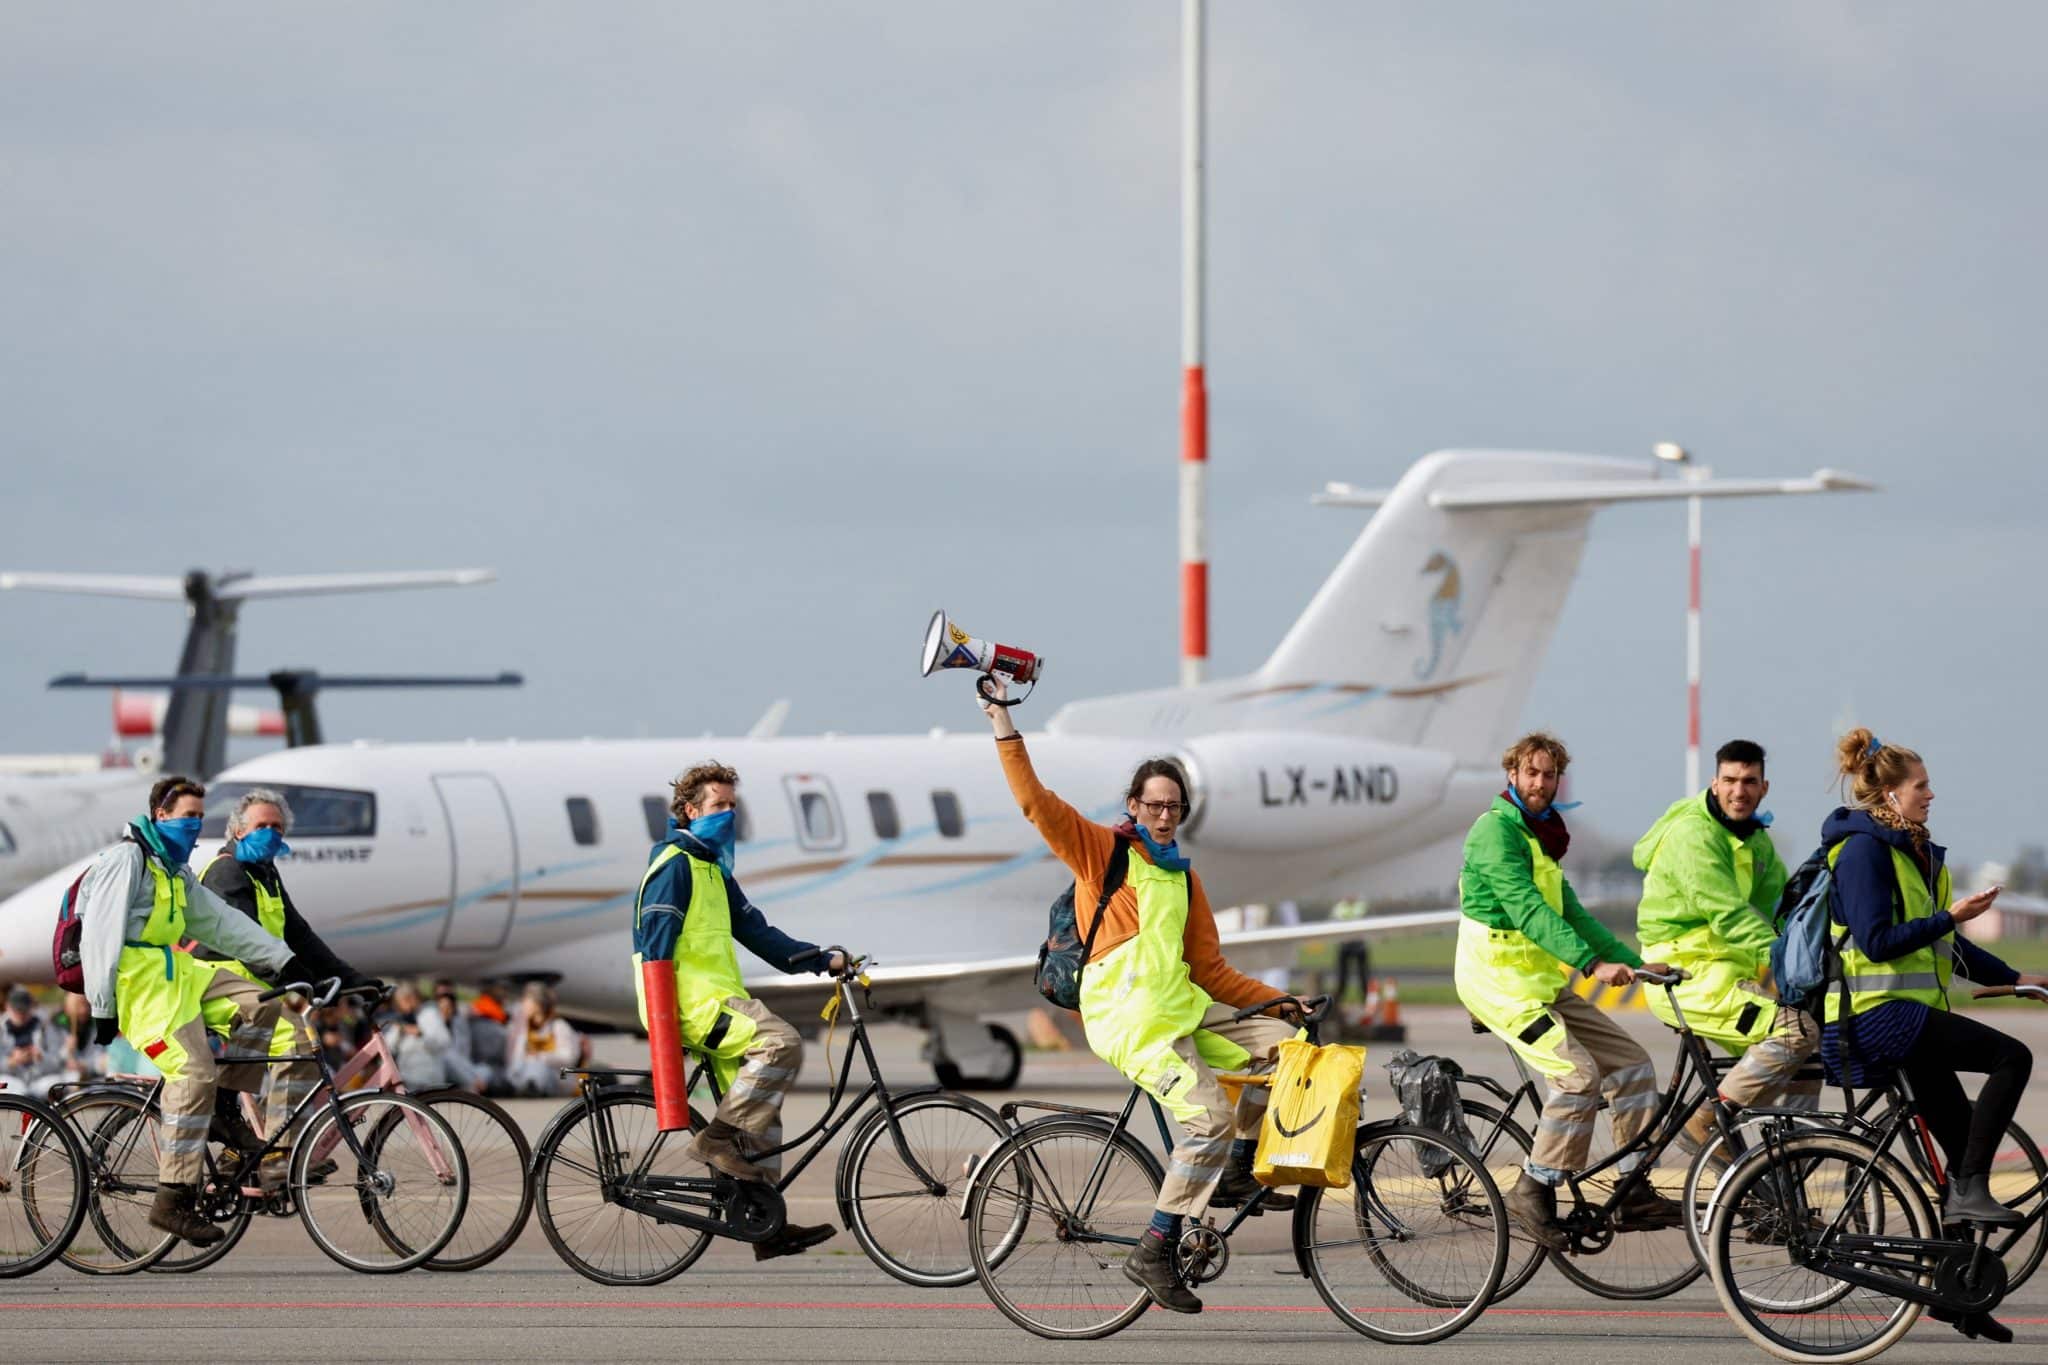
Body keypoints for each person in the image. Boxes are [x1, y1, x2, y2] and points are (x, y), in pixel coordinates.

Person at [980, 678, 1305, 1315]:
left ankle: (1239, 1165)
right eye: (1154, 804)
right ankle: (1155, 1248)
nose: (1164, 815)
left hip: (1182, 1015)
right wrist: (1002, 722)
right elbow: (1035, 803)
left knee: (1288, 1051)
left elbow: (1210, 969)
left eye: (1174, 807)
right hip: (1130, 1025)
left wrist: (1279, 1000)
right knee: (1205, 1115)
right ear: (1134, 805)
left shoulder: (1183, 879)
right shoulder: (1104, 854)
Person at [1819, 729, 2044, 1344]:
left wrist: (2018, 978)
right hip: (1879, 1017)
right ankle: (1971, 1190)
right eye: (1922, 785)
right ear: (1890, 793)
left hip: (1911, 1017)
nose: (1932, 794)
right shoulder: (1864, 849)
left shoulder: (1913, 851)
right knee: (2012, 1056)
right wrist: (1952, 914)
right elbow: (1876, 941)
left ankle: (1958, 1299)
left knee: (1956, 1165)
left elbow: (1949, 946)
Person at [1455, 732, 1682, 1250]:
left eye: (1549, 775)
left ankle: (1630, 1189)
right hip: (1498, 986)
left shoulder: (1540, 834)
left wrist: (1633, 963)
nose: (1540, 783)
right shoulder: (1494, 833)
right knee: (1578, 1077)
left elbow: (1571, 912)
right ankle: (1532, 1189)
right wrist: (1591, 963)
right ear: (1511, 774)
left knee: (1632, 1064)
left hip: (1539, 984)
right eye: (1531, 773)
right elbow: (1528, 911)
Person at [75, 776, 313, 1246]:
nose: (197, 825)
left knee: (263, 1005)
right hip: (141, 986)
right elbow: (99, 937)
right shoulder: (127, 860)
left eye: (201, 817)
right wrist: (101, 1007)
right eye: (188, 816)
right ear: (160, 815)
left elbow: (221, 923)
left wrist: (283, 961)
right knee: (193, 1072)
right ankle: (173, 1199)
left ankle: (226, 1108)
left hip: (178, 974)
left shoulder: (173, 870)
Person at [631, 761, 843, 1261]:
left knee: (762, 1119)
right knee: (782, 1041)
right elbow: (654, 951)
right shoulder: (674, 868)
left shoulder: (712, 869)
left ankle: (765, 1225)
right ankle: (712, 1140)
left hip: (720, 1000)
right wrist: (664, 1033)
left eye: (732, 805)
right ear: (689, 811)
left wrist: (821, 959)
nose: (728, 814)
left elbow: (758, 932)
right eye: (718, 806)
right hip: (689, 1004)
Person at [1634, 740, 1819, 1151]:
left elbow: (1781, 911)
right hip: (1684, 974)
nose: (1740, 791)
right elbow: (1729, 915)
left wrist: (1825, 946)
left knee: (1807, 1057)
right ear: (1714, 783)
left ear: (1764, 787)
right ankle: (1705, 1128)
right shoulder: (1693, 836)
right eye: (1731, 780)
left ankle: (1795, 1161)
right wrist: (1790, 959)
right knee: (1796, 1034)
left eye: (1749, 781)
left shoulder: (1755, 840)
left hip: (1725, 971)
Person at [195, 787, 378, 1178]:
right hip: (218, 984)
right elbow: (247, 944)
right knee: (294, 1041)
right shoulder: (225, 871)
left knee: (295, 1046)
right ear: (238, 830)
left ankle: (241, 1152)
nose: (271, 833)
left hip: (258, 986)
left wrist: (351, 980)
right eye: (262, 825)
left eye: (278, 827)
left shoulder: (266, 873)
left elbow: (300, 936)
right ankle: (279, 1155)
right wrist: (300, 981)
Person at [505, 983, 583, 1095]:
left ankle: (531, 1085)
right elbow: (513, 1059)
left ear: (538, 1004)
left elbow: (569, 1058)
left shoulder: (558, 1026)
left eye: (526, 1001)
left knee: (536, 1069)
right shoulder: (522, 1029)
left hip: (556, 1077)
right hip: (524, 1074)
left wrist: (540, 1057)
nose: (523, 1005)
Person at [380, 982, 452, 1090]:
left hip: (428, 1079)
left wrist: (421, 1034)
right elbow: (388, 1046)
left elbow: (444, 1042)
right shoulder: (401, 1019)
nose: (401, 1006)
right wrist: (399, 1031)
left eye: (403, 1001)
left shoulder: (430, 1014)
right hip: (407, 1077)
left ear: (413, 998)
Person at [0, 986, 65, 1098]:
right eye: (17, 1010)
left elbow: (58, 1063)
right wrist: (11, 1061)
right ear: (7, 1007)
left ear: (31, 1007)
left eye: (24, 1010)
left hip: (40, 1081)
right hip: (11, 1080)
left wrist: (41, 1057)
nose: (21, 1014)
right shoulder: (1, 1029)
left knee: (58, 1084)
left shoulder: (46, 1027)